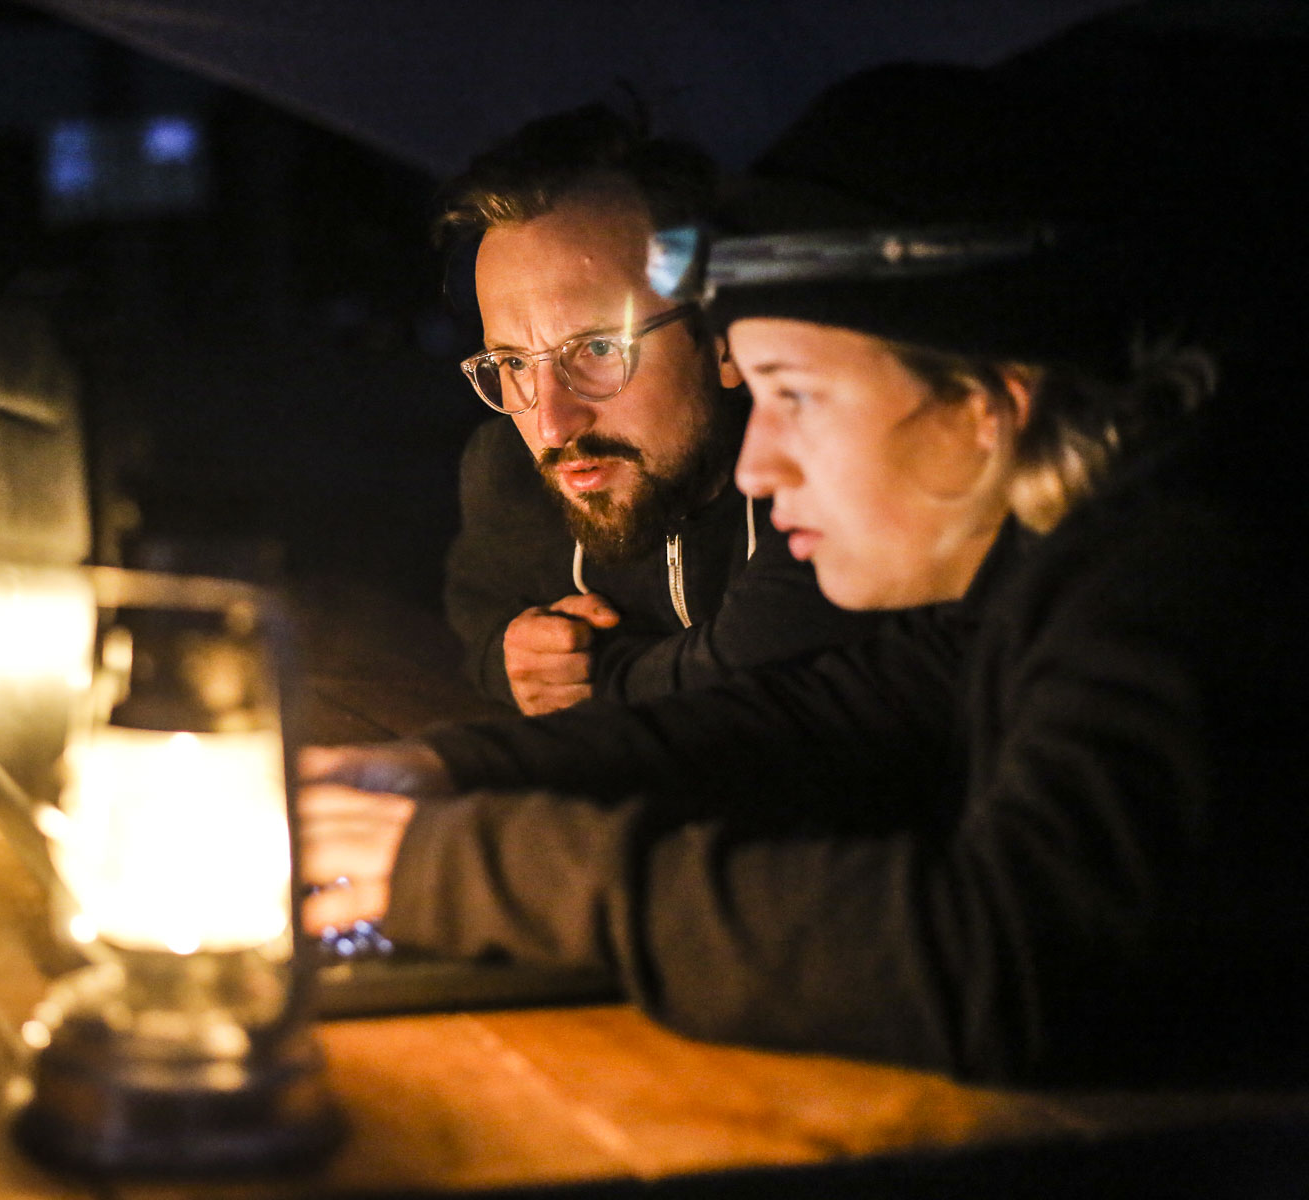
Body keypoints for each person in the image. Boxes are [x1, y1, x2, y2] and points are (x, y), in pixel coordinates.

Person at [297, 49, 1309, 1085]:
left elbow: (1006, 957)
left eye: (796, 396)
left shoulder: (1188, 579)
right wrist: (441, 774)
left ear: (985, 400)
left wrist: (460, 872)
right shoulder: (1026, 586)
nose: (757, 462)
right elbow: (818, 723)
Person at [438, 106, 878, 714]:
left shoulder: (811, 472)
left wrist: (598, 676)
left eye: (598, 349)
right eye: (513, 362)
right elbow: (482, 612)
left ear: (723, 340)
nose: (552, 425)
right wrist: (511, 658)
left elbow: (755, 675)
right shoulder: (506, 472)